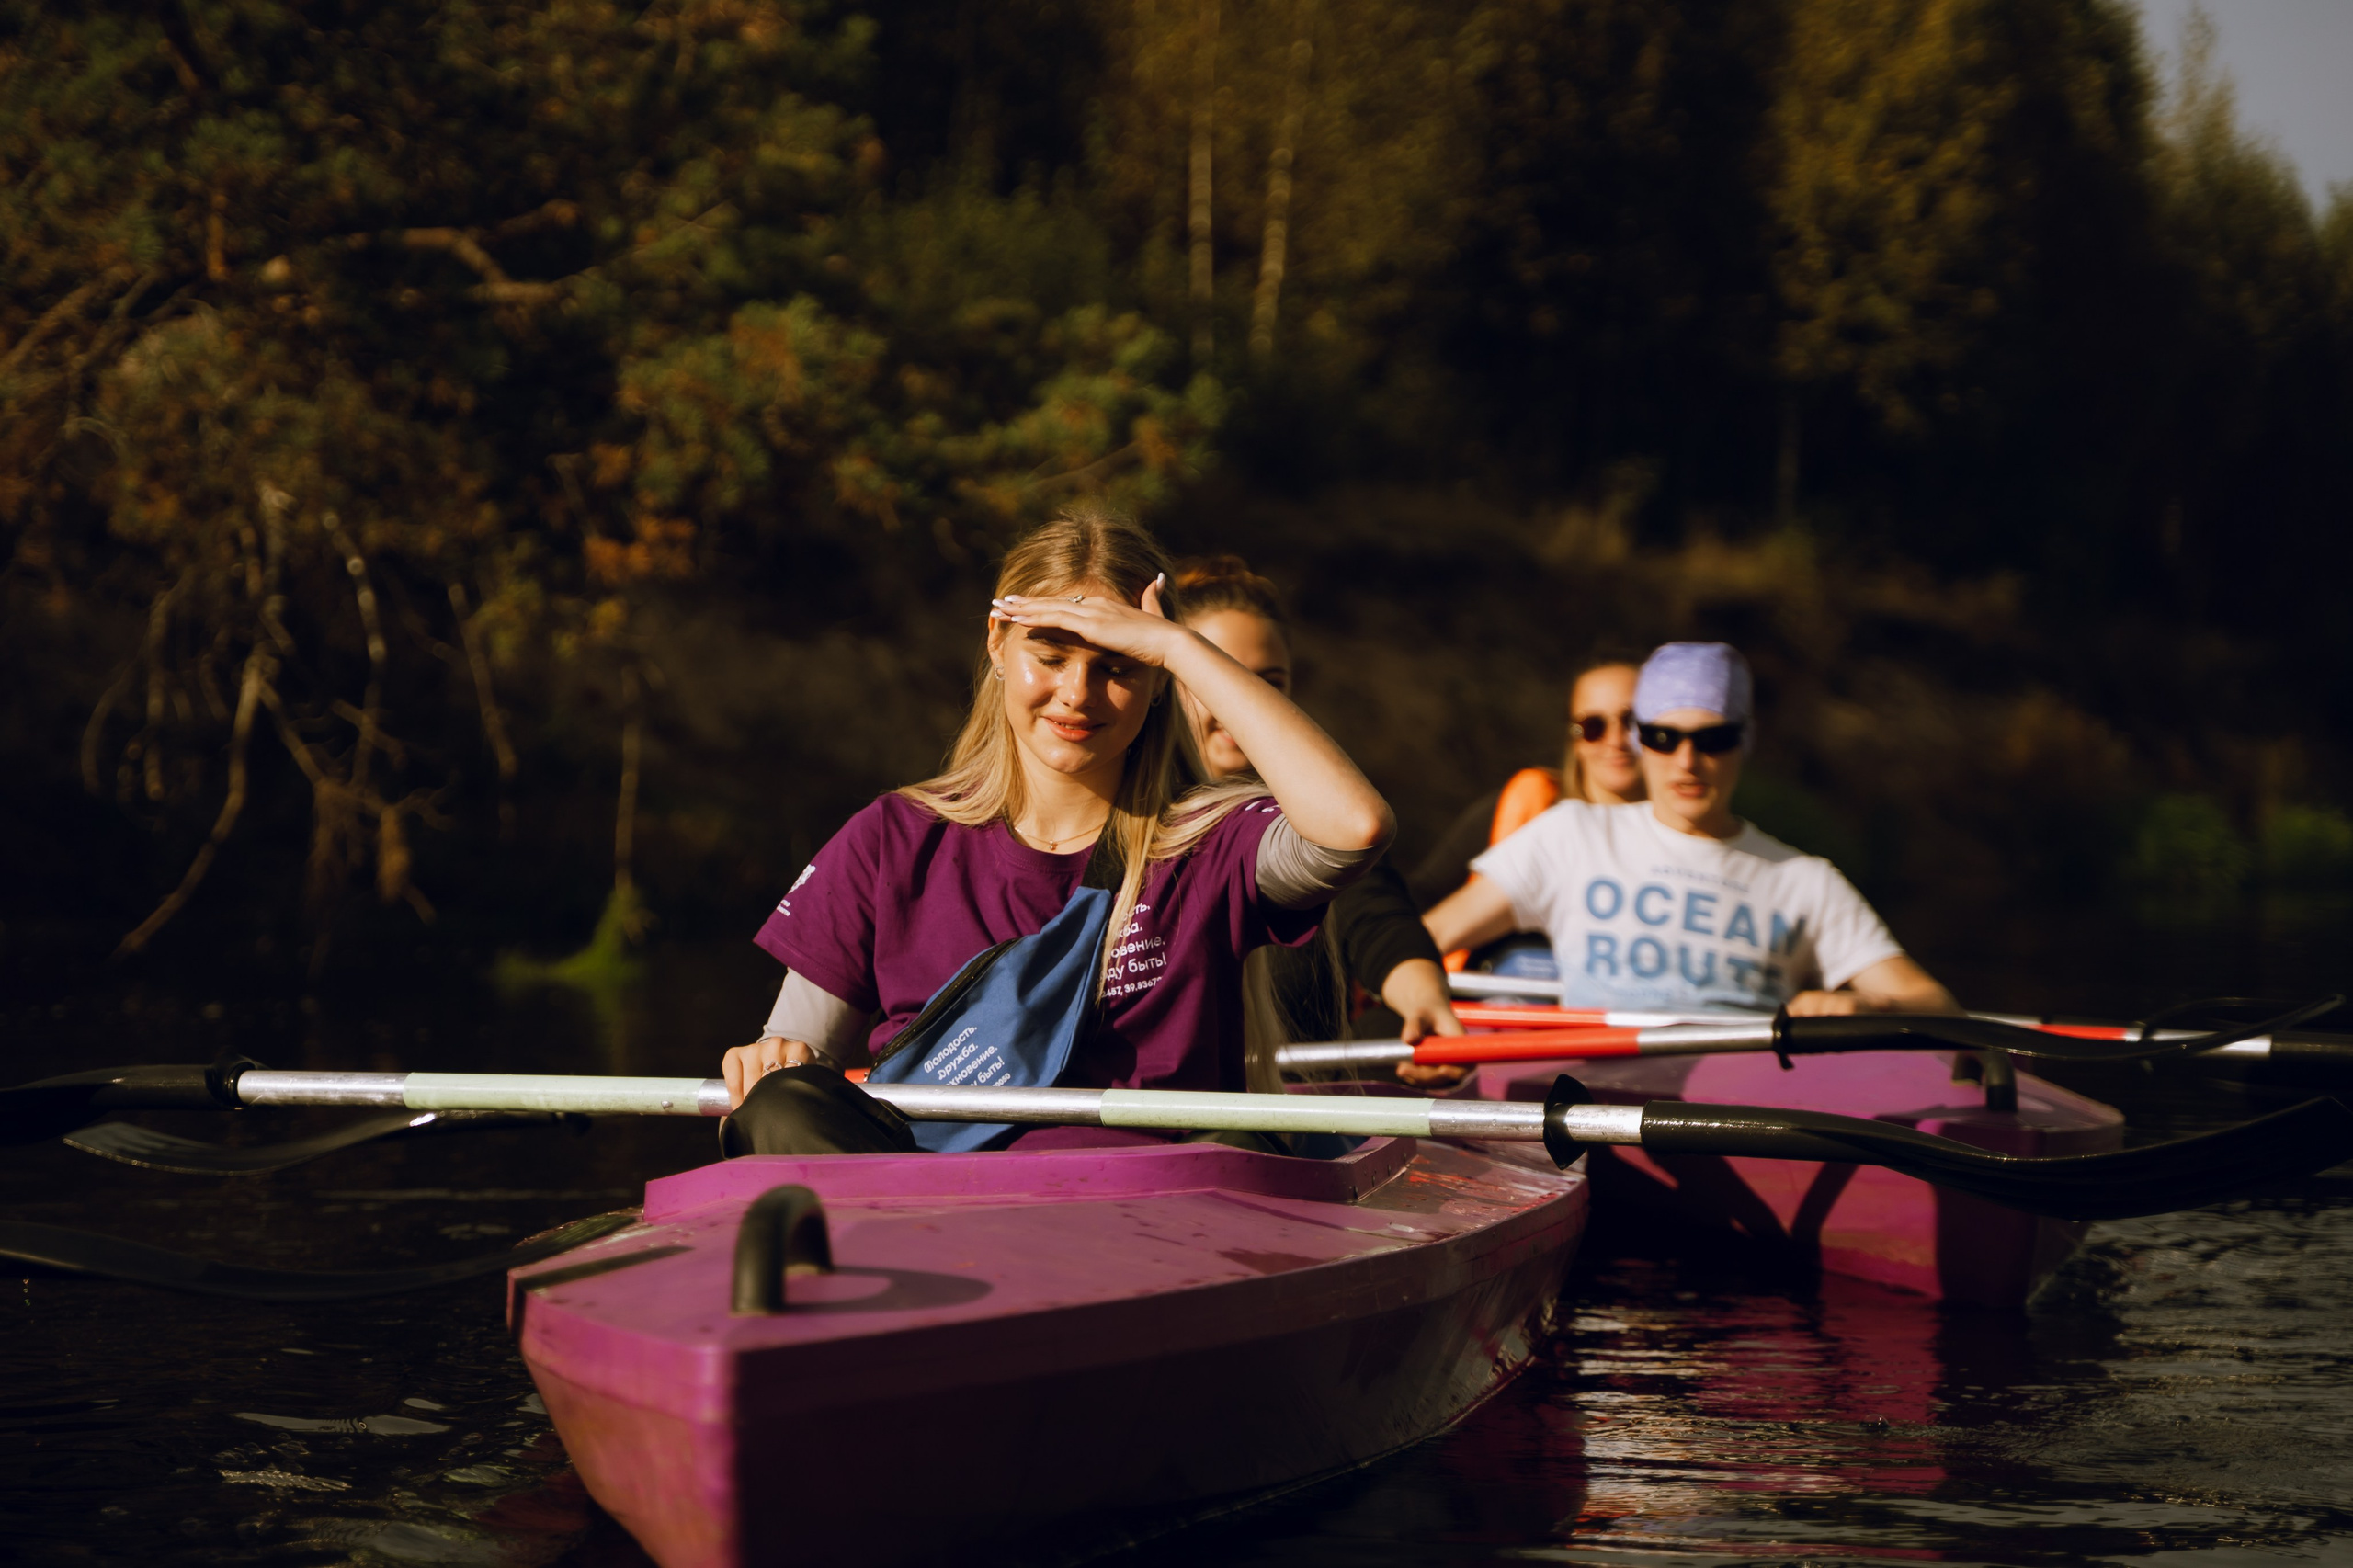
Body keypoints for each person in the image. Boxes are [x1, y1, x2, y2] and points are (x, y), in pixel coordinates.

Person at [719, 509, 1396, 1153]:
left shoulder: (1211, 840)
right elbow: (795, 1057)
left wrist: (1176, 645)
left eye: (1117, 666)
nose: (1077, 694)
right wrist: (777, 1058)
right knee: (780, 1106)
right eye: (1051, 655)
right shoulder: (889, 838)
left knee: (1242, 1144)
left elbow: (1355, 827)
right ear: (997, 643)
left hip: (1156, 1218)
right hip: (925, 1207)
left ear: (1158, 679)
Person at [1421, 642, 1955, 1016]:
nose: (1687, 761)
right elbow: (1424, 943)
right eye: (1662, 737)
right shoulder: (1572, 834)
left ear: (1743, 742)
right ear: (1641, 742)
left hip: (1739, 1115)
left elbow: (1934, 1006)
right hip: (1590, 1108)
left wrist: (1865, 1005)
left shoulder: (1804, 879)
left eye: (1713, 739)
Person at [1172, 554, 1466, 1088]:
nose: (1242, 704)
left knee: (1389, 1026)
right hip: (1153, 1117)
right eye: (1216, 679)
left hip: (1299, 1117)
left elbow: (1376, 917)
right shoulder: (1120, 814)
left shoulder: (1310, 822)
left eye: (1266, 684)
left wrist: (1425, 1003)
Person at [1405, 655, 1647, 911]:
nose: (1616, 740)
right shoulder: (1525, 805)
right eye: (1592, 727)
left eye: (1632, 722)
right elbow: (1421, 894)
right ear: (1573, 738)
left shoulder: (1685, 833)